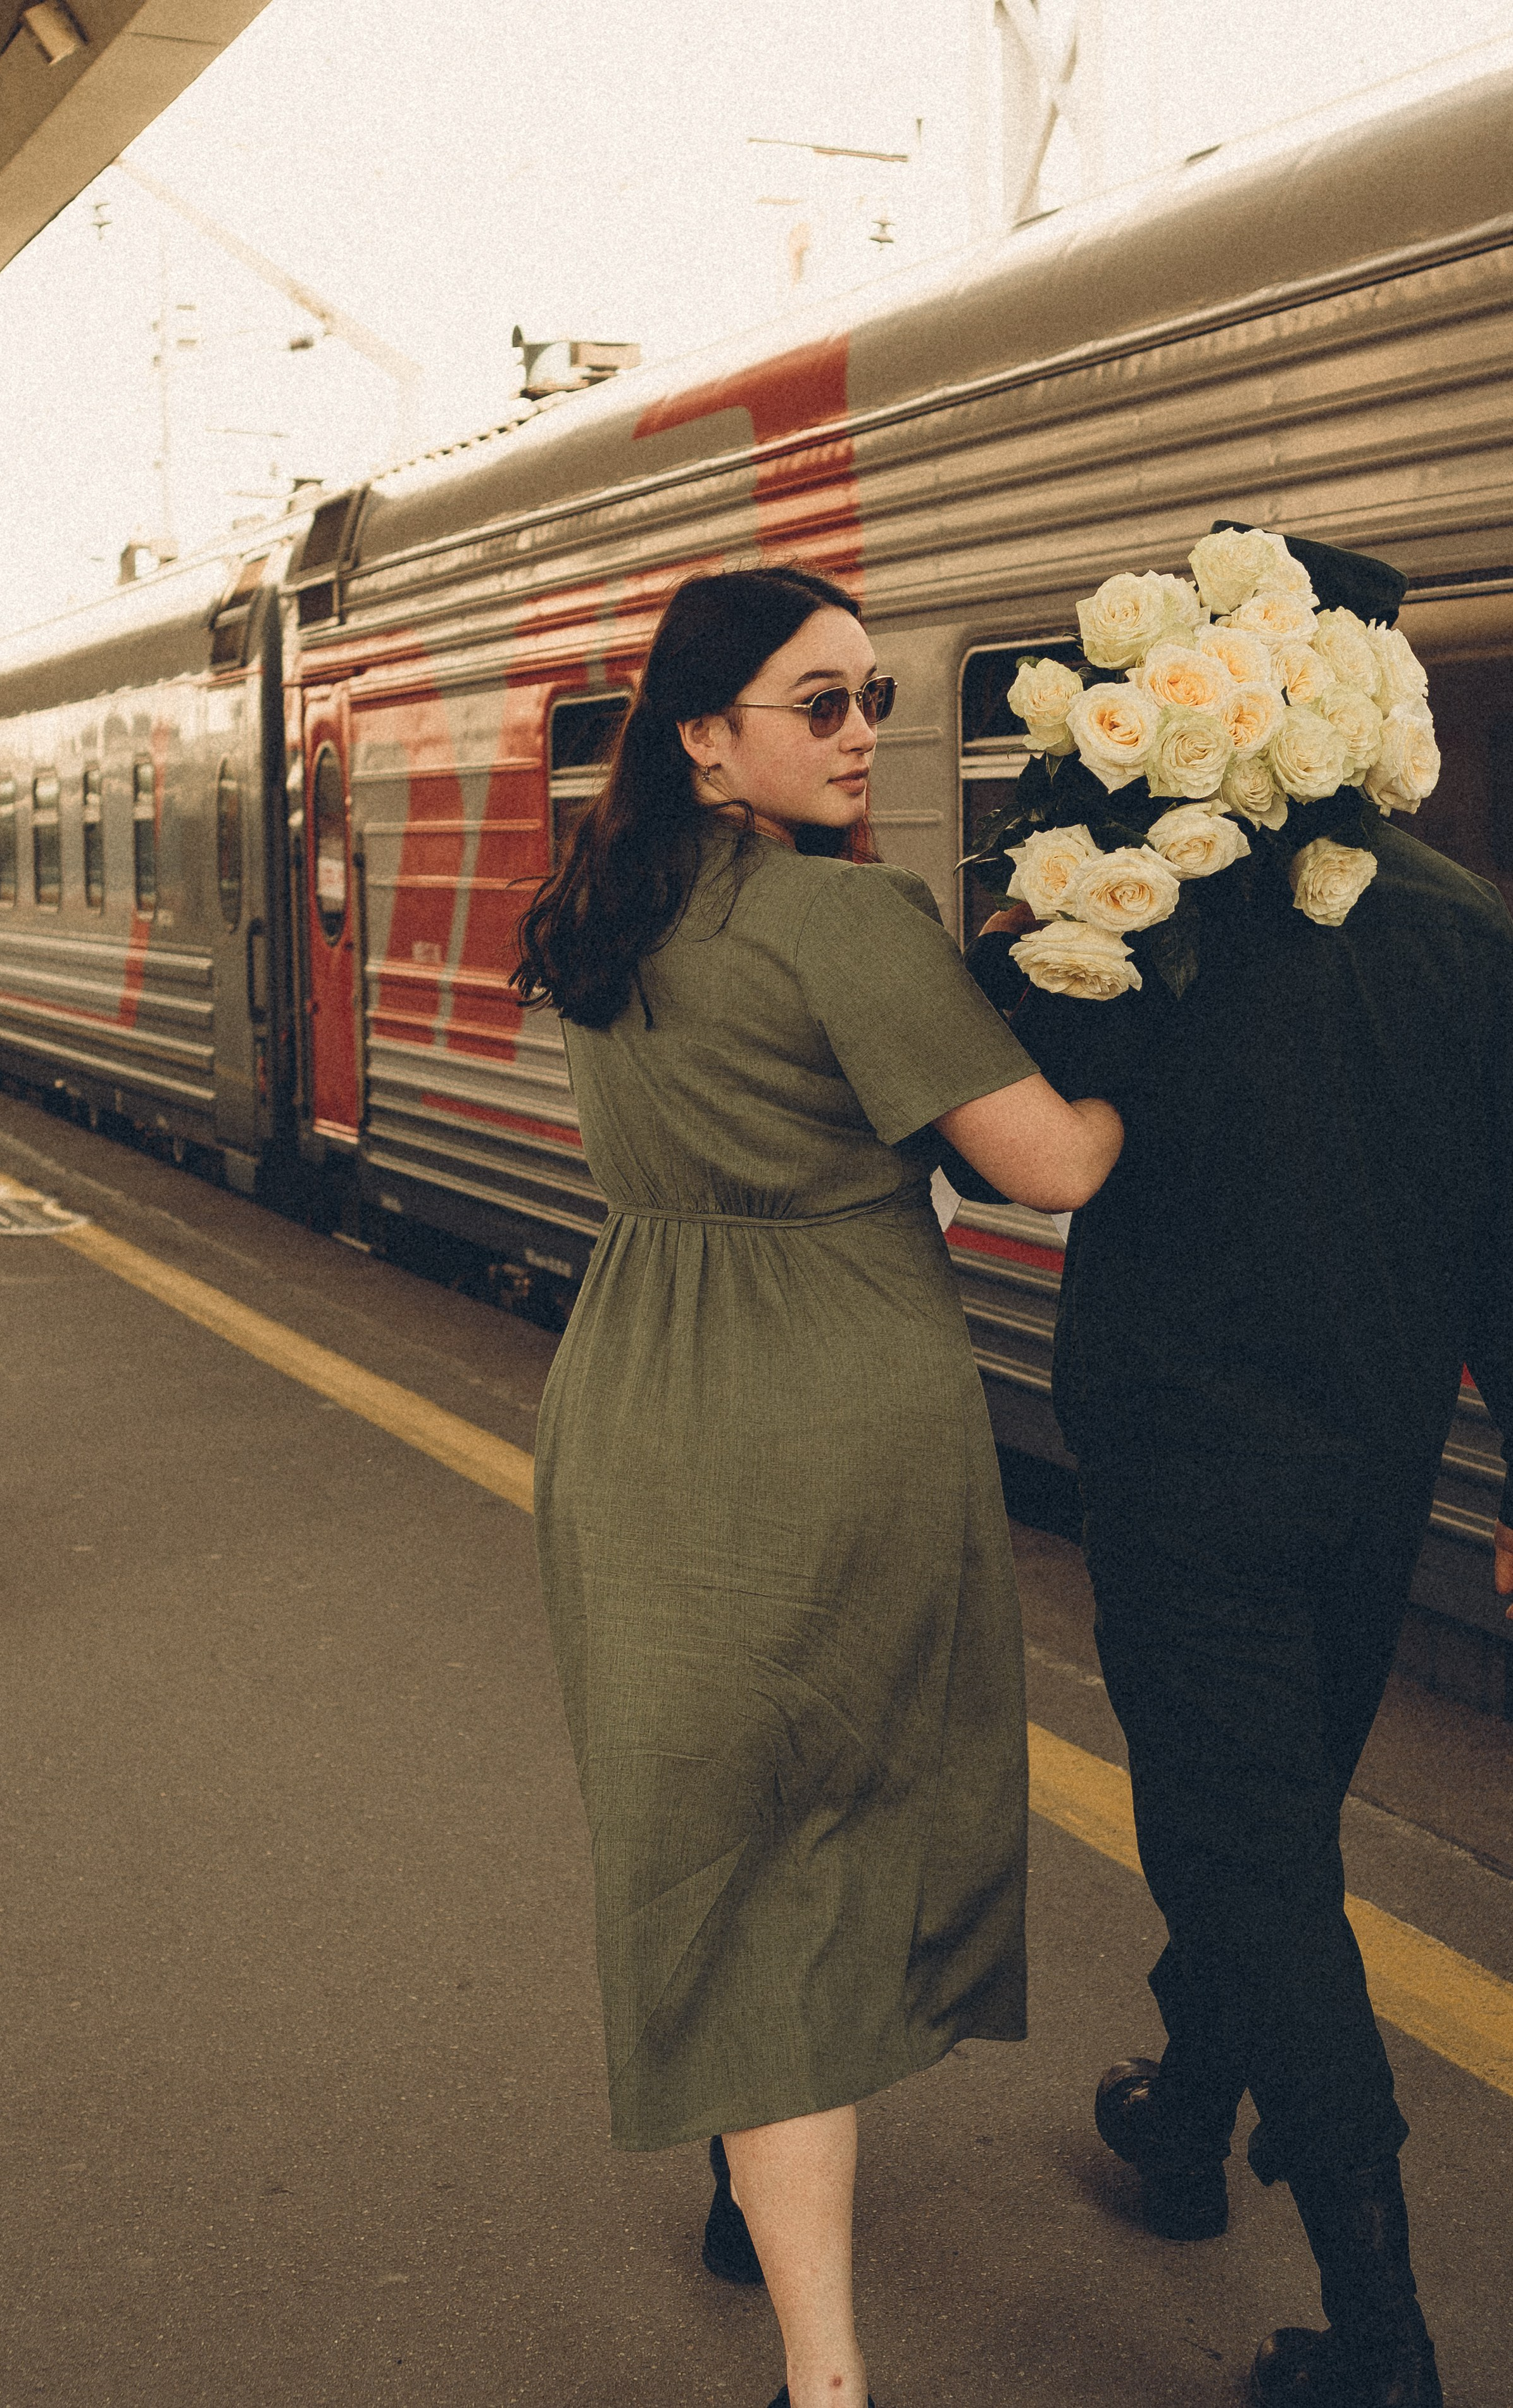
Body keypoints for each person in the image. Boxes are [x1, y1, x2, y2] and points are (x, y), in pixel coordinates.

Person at [513, 566, 1123, 2408]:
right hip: (828, 1405)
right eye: (825, 704)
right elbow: (1046, 1168)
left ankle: (739, 2177)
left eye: (874, 699)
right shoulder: (843, 924)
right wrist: (1126, 1074)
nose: (867, 733)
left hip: (632, 1396)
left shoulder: (599, 914)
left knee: (714, 1824)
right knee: (815, 1851)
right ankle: (829, 2380)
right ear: (709, 737)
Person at [970, 532, 1513, 2408]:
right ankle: (1193, 2108)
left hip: (1184, 1459)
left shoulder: (1138, 917)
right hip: (1371, 1469)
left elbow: (987, 1145)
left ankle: (1386, 2337)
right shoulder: (1470, 929)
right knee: (1266, 1810)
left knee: (1244, 1837)